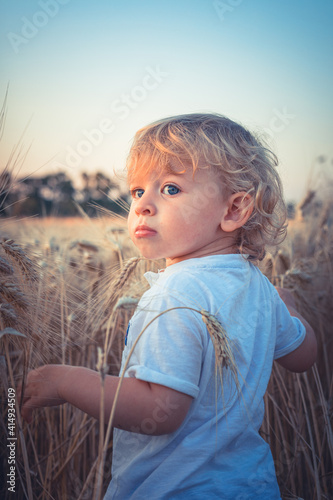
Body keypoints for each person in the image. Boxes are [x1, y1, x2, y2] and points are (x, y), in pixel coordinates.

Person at [18, 113, 317, 499]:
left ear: (233, 211)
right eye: (137, 191)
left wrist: (66, 381)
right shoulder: (258, 287)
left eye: (171, 189)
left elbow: (158, 411)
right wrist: (292, 313)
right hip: (251, 486)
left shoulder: (175, 294)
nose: (143, 205)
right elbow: (303, 357)